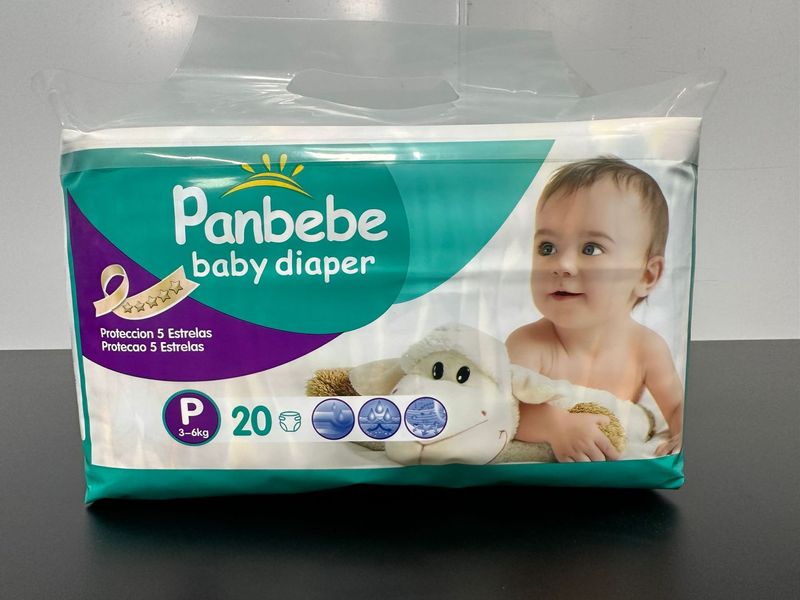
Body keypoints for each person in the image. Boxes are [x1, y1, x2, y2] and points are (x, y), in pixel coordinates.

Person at [507, 157, 683, 462]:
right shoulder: (528, 344)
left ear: (646, 276)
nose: (562, 265)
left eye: (591, 248)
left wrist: (682, 432)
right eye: (547, 248)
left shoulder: (646, 348)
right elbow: (498, 412)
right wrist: (555, 426)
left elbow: (678, 407)